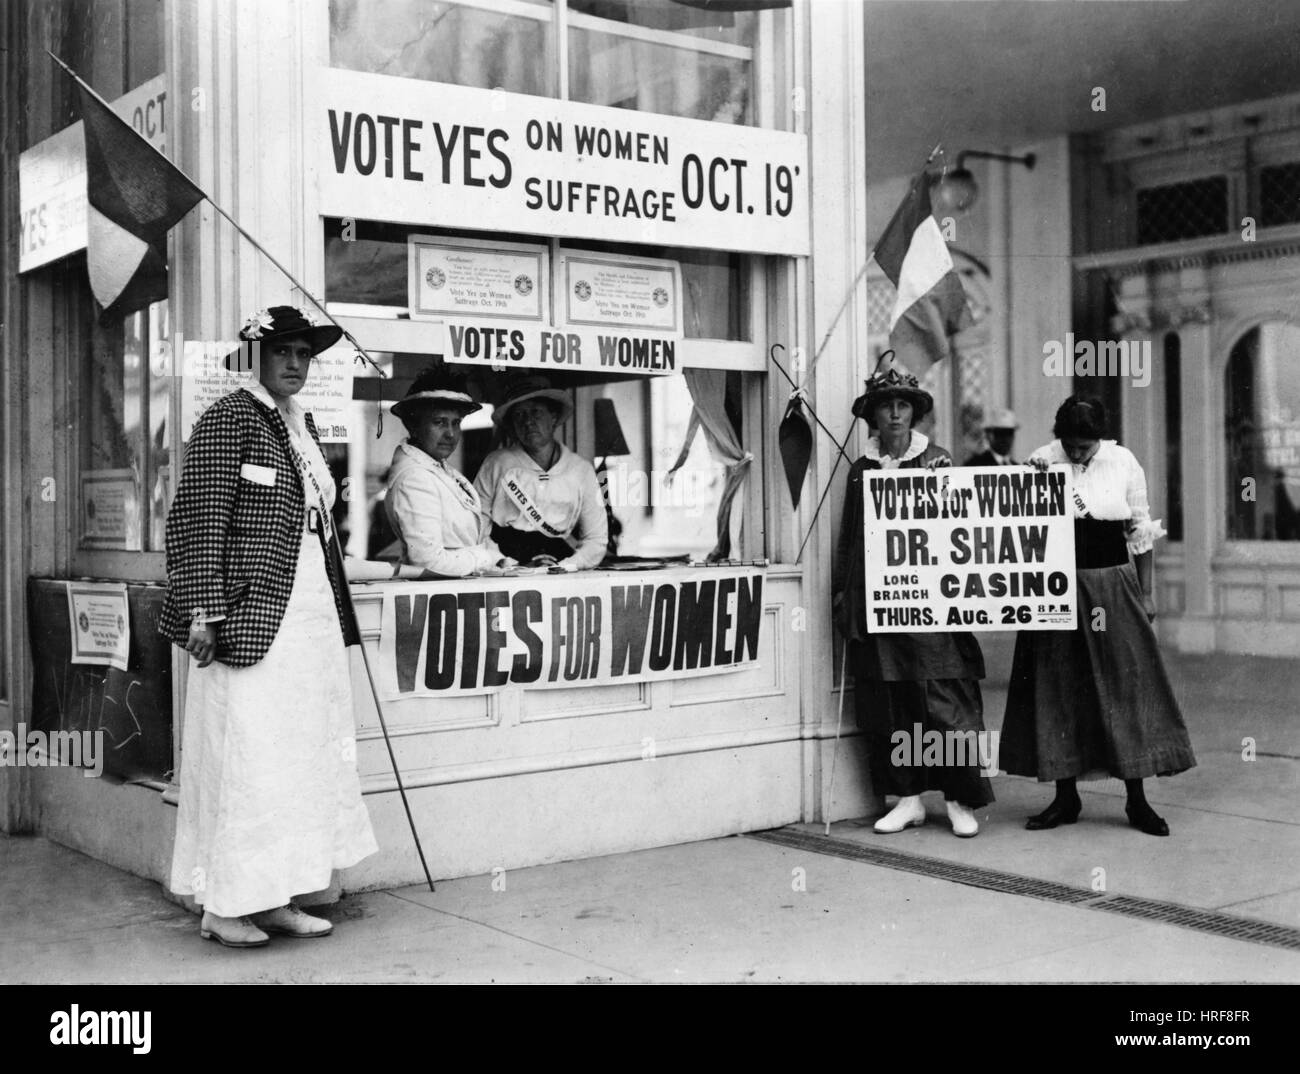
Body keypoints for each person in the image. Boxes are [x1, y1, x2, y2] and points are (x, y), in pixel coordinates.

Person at [159, 305, 378, 947]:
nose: (293, 364)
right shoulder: (229, 417)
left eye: (303, 354)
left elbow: (315, 527)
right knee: (246, 758)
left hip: (307, 617)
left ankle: (276, 895)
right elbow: (197, 519)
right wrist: (203, 608)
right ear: (255, 357)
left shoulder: (299, 424)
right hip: (252, 617)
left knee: (296, 758)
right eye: (281, 351)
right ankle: (226, 905)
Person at [1000, 395, 1196, 836]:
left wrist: (1145, 593)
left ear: (1100, 440)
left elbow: (1140, 531)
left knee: (1125, 687)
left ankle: (1137, 800)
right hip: (1055, 587)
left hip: (1111, 585)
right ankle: (1064, 798)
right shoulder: (1039, 462)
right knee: (1056, 687)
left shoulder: (1124, 461)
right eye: (1069, 445)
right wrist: (1026, 487)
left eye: (1084, 448)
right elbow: (1013, 528)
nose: (1076, 454)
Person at [832, 361, 992, 838]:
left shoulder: (937, 459)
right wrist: (844, 595)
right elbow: (850, 540)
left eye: (903, 406)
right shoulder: (861, 471)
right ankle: (908, 798)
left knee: (943, 698)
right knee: (892, 701)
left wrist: (945, 487)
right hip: (881, 605)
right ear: (874, 417)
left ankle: (960, 798)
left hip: (933, 605)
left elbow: (964, 531)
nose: (896, 415)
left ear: (915, 413)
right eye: (887, 407)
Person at [385, 368, 514, 576]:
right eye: (439, 422)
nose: (451, 434)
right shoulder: (414, 478)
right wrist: (485, 558)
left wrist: (500, 560)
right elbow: (428, 561)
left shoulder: (439, 469)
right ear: (413, 426)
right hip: (434, 595)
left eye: (456, 423)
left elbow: (471, 539)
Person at [474, 373, 608, 570]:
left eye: (536, 412)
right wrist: (509, 565)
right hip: (508, 563)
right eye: (520, 415)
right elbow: (476, 528)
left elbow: (596, 540)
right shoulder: (497, 464)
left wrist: (566, 567)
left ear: (553, 417)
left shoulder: (580, 469)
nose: (528, 422)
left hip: (562, 565)